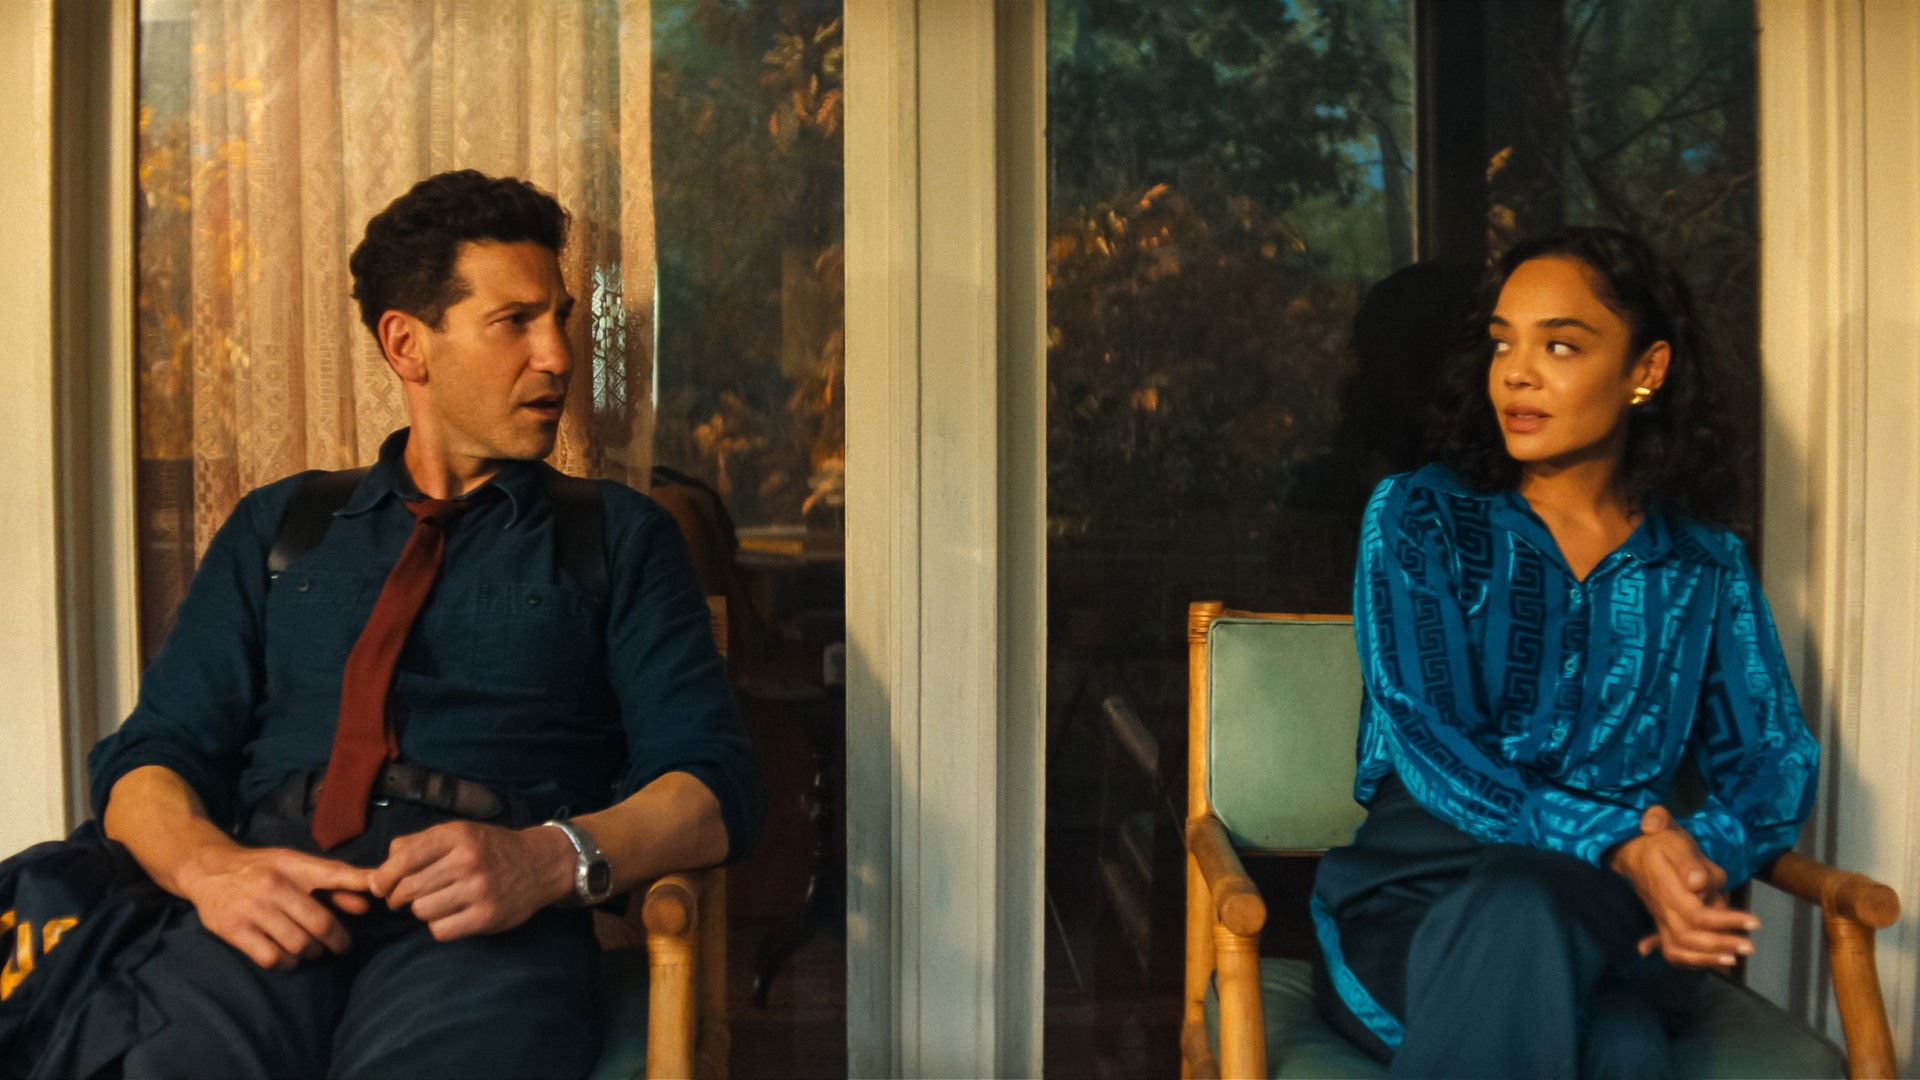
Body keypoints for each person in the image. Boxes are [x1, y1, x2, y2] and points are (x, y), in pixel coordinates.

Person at [84, 169, 764, 1078]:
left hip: (487, 928)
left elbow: (714, 788)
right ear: (408, 344)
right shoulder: (284, 527)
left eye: (560, 319)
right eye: (515, 321)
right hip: (271, 900)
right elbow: (149, 758)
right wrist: (213, 869)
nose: (558, 356)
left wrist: (546, 860)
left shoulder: (615, 536)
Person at [1310, 227, 1818, 1078]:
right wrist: (1621, 840)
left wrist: (1695, 858)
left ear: (1646, 370)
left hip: (1616, 912)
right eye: (1502, 342)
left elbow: (1774, 762)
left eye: (1559, 345)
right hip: (1418, 898)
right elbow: (1429, 738)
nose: (1516, 372)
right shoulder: (1421, 518)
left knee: (1540, 913)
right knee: (1622, 1051)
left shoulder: (1702, 565)